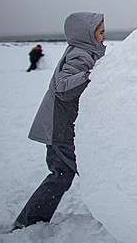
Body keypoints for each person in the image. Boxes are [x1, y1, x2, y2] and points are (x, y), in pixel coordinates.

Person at [12, 13, 106, 230]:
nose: (104, 37)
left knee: (63, 174)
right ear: (87, 34)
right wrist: (93, 76)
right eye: (100, 32)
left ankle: (28, 221)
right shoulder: (80, 54)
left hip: (63, 128)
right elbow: (64, 87)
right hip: (59, 129)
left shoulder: (86, 52)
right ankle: (27, 223)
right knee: (71, 173)